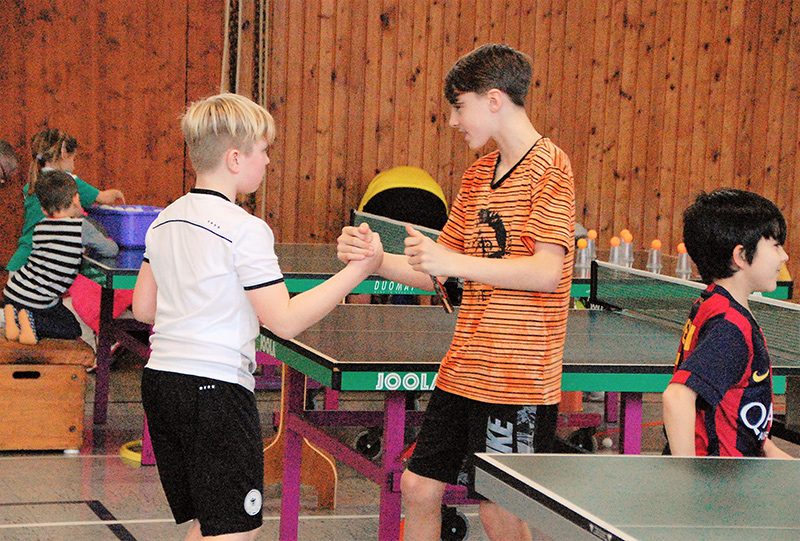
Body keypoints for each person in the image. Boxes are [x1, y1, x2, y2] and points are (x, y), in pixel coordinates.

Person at [338, 44, 575, 541]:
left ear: (494, 100)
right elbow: (439, 274)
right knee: (418, 487)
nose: (452, 121)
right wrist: (376, 260)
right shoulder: (476, 176)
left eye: (459, 107)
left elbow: (546, 272)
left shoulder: (551, 167)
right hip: (464, 369)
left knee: (499, 512)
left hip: (516, 378)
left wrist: (454, 263)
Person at [131, 92, 382, 541]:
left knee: (210, 524)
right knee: (235, 532)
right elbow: (283, 321)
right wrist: (357, 272)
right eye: (263, 150)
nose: (267, 160)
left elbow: (144, 308)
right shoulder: (245, 229)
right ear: (234, 159)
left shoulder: (165, 219)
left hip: (161, 384)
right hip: (215, 393)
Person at [662, 188, 793, 459]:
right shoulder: (731, 326)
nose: (784, 257)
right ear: (741, 256)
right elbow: (677, 398)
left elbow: (728, 404)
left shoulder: (713, 302)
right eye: (775, 245)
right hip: (717, 475)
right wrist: (684, 476)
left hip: (735, 466)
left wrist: (769, 450)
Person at [5, 129, 129, 351]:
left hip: (19, 265)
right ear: (64, 154)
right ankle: (95, 350)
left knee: (37, 315)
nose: (74, 164)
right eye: (74, 158)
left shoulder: (34, 184)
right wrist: (116, 194)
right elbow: (103, 198)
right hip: (38, 272)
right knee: (63, 318)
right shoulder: (67, 183)